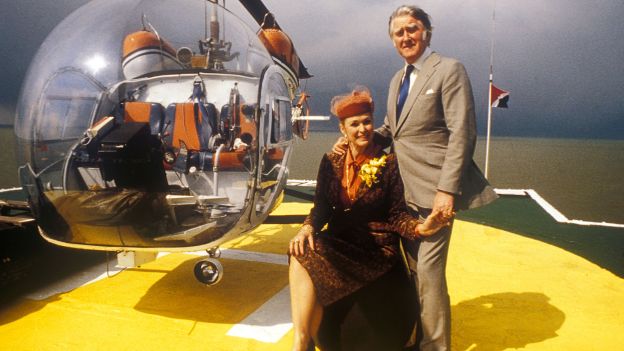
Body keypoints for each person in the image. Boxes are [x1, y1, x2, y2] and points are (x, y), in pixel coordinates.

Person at [333, 5, 498, 350]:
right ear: (392, 40)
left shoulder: (449, 70)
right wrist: (357, 138)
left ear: (427, 32)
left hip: (433, 194)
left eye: (412, 29)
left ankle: (435, 346)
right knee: (414, 274)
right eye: (399, 33)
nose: (406, 37)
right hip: (401, 195)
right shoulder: (398, 80)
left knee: (430, 275)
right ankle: (420, 337)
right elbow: (393, 131)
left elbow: (462, 134)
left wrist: (446, 191)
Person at [288, 87, 452, 351]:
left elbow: (397, 215)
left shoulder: (389, 164)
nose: (362, 129)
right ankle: (301, 343)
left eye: (367, 122)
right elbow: (321, 208)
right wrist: (307, 227)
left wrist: (422, 227)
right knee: (300, 250)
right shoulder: (330, 162)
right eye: (354, 124)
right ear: (343, 129)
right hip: (342, 241)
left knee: (310, 254)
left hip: (377, 249)